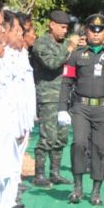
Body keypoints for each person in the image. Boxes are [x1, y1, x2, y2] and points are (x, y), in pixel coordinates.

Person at [58, 13, 104, 206]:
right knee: (79, 144)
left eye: (100, 30)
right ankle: (77, 187)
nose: (96, 33)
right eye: (92, 29)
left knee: (99, 148)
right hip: (81, 107)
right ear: (86, 31)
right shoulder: (76, 55)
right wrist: (62, 108)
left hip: (103, 109)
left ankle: (96, 191)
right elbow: (66, 82)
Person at [31, 10, 79, 187]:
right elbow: (52, 64)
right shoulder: (41, 43)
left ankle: (55, 173)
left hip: (65, 96)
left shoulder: (65, 43)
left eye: (67, 28)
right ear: (52, 25)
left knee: (61, 137)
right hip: (49, 96)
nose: (65, 31)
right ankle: (39, 174)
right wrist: (70, 48)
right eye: (62, 27)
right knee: (47, 137)